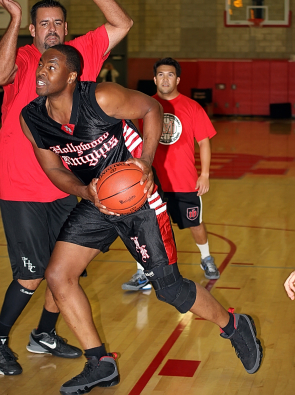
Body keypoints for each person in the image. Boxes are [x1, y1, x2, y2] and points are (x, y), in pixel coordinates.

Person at [20, 45, 262, 395]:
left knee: (170, 289)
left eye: (51, 65)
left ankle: (234, 326)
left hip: (138, 197)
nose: (41, 70)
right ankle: (100, 363)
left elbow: (152, 107)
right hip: (97, 198)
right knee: (58, 275)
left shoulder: (100, 97)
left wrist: (146, 161)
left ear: (72, 76)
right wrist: (86, 192)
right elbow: (53, 168)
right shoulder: (32, 118)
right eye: (41, 64)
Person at [0, 0, 133, 376]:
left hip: (65, 184)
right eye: (43, 24)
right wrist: (15, 19)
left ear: (65, 28)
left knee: (63, 271)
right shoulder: (22, 57)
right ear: (33, 30)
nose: (52, 29)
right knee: (32, 273)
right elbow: (0, 75)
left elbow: (121, 25)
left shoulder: (80, 55)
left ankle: (44, 333)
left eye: (58, 23)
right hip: (19, 184)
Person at [122, 57, 219, 292]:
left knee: (194, 224)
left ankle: (206, 257)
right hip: (151, 182)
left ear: (177, 79)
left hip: (184, 181)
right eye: (161, 75)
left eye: (170, 75)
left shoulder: (192, 106)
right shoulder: (143, 107)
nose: (166, 79)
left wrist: (204, 174)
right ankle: (142, 272)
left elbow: (204, 142)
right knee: (144, 228)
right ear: (155, 79)